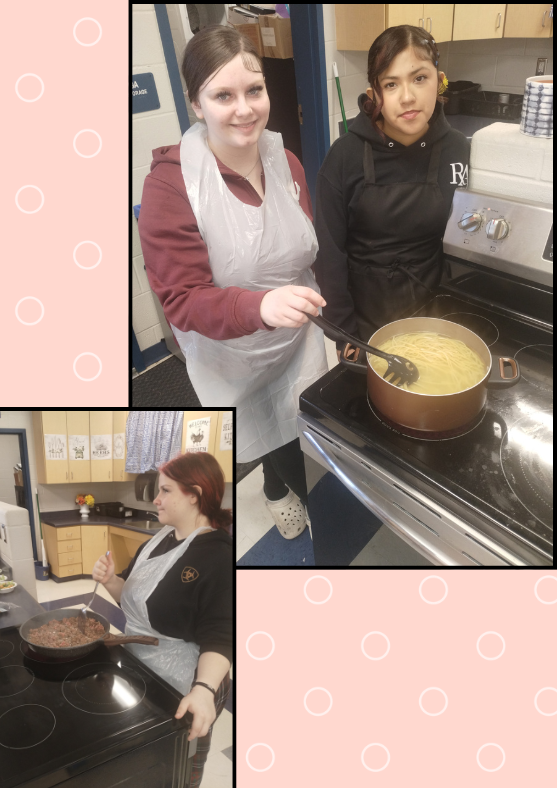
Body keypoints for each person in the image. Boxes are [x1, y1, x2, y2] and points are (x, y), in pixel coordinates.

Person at [138, 24, 328, 539]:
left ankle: (285, 474)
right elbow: (182, 300)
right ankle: (275, 489)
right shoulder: (170, 186)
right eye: (223, 95)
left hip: (294, 334)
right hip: (232, 354)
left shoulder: (284, 161)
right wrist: (260, 307)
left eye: (254, 90)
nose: (245, 109)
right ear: (196, 104)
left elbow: (304, 246)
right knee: (264, 429)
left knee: (298, 418)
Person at [314, 25, 470, 347]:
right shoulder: (345, 156)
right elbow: (329, 257)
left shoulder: (458, 150)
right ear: (375, 92)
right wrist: (346, 338)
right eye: (391, 84)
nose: (408, 97)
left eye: (419, 78)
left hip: (437, 318)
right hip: (364, 325)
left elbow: (465, 244)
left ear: (439, 79)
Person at [92, 451, 232, 788]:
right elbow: (135, 600)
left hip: (184, 685)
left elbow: (222, 635)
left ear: (195, 495)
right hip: (141, 668)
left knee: (176, 771)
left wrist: (203, 690)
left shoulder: (218, 556)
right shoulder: (157, 540)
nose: (156, 499)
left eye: (165, 490)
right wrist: (112, 580)